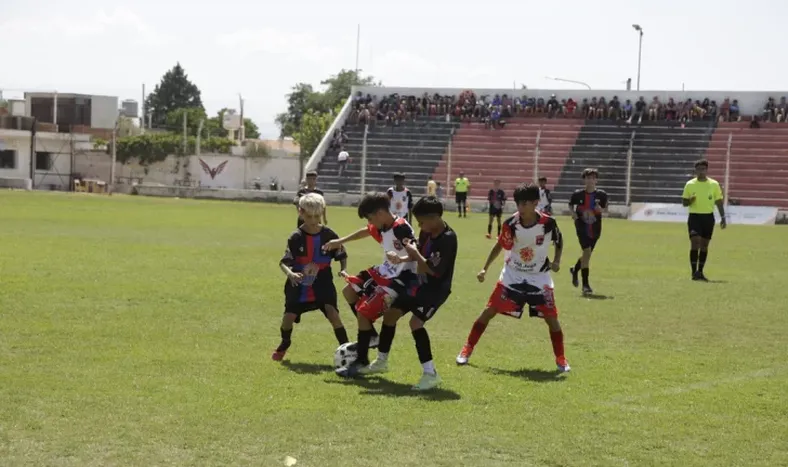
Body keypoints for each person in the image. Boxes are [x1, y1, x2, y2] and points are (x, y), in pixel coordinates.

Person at [340, 196, 458, 390]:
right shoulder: (428, 231)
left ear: (435, 217)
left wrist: (411, 253)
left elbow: (432, 269)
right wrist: (402, 257)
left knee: (415, 323)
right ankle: (381, 362)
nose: (419, 226)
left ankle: (431, 373)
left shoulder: (447, 239)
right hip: (417, 283)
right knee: (390, 316)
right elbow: (416, 251)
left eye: (421, 222)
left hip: (435, 290)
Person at [455, 183, 569, 372]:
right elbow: (500, 245)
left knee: (552, 318)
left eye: (525, 204)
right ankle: (467, 349)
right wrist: (485, 268)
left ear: (535, 203)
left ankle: (561, 359)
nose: (521, 208)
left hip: (539, 276)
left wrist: (557, 260)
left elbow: (559, 240)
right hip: (513, 274)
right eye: (518, 204)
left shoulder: (549, 223)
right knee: (489, 311)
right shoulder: (511, 224)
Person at [323, 192, 418, 374]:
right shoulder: (383, 225)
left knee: (363, 312)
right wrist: (340, 241)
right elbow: (366, 230)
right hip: (384, 271)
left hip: (400, 278)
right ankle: (372, 336)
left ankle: (361, 361)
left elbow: (416, 250)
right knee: (349, 291)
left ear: (380, 213)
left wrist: (401, 258)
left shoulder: (401, 228)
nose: (370, 223)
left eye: (370, 218)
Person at [273, 193, 349, 361]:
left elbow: (342, 255)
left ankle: (348, 351)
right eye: (309, 216)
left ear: (322, 212)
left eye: (317, 216)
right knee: (288, 319)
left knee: (333, 314)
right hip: (299, 283)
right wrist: (290, 273)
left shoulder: (329, 235)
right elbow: (284, 262)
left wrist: (343, 269)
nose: (313, 221)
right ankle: (285, 343)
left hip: (323, 282)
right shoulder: (296, 237)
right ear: (300, 212)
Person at [682, 159, 726, 281]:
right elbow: (684, 203)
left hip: (708, 217)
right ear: (695, 170)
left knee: (704, 245)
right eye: (699, 169)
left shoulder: (714, 184)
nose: (701, 171)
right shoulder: (690, 184)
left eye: (703, 169)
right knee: (695, 242)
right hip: (695, 217)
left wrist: (723, 217)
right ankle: (693, 272)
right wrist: (690, 200)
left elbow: (718, 201)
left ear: (707, 170)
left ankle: (700, 272)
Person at [568, 168, 608, 295]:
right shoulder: (577, 194)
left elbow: (606, 210)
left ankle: (575, 269)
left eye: (593, 178)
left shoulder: (601, 195)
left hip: (595, 229)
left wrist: (600, 209)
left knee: (587, 255)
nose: (590, 180)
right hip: (581, 227)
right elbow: (570, 205)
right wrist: (573, 213)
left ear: (596, 180)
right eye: (588, 178)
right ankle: (585, 285)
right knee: (587, 252)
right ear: (584, 179)